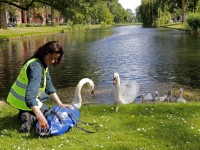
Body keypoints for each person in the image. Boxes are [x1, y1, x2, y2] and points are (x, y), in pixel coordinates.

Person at [7, 41, 74, 133]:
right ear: (45, 52)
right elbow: (30, 97)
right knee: (48, 112)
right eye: (51, 58)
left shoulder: (38, 61)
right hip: (25, 101)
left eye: (56, 59)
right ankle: (31, 117)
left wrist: (60, 103)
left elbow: (49, 85)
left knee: (46, 95)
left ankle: (25, 113)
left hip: (17, 99)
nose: (53, 61)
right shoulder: (36, 68)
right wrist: (40, 117)